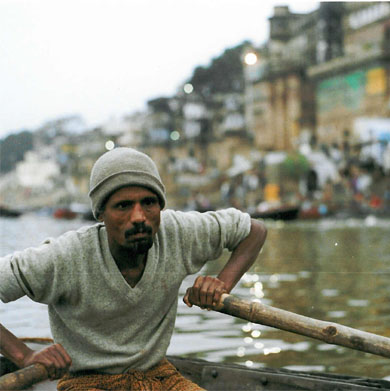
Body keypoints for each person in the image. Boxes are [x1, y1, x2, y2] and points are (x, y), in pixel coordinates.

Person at [0, 147, 267, 390]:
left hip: (159, 375)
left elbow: (254, 230)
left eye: (149, 203)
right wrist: (23, 355)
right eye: (123, 206)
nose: (139, 217)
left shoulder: (177, 232)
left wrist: (222, 283)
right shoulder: (64, 256)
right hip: (87, 382)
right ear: (101, 214)